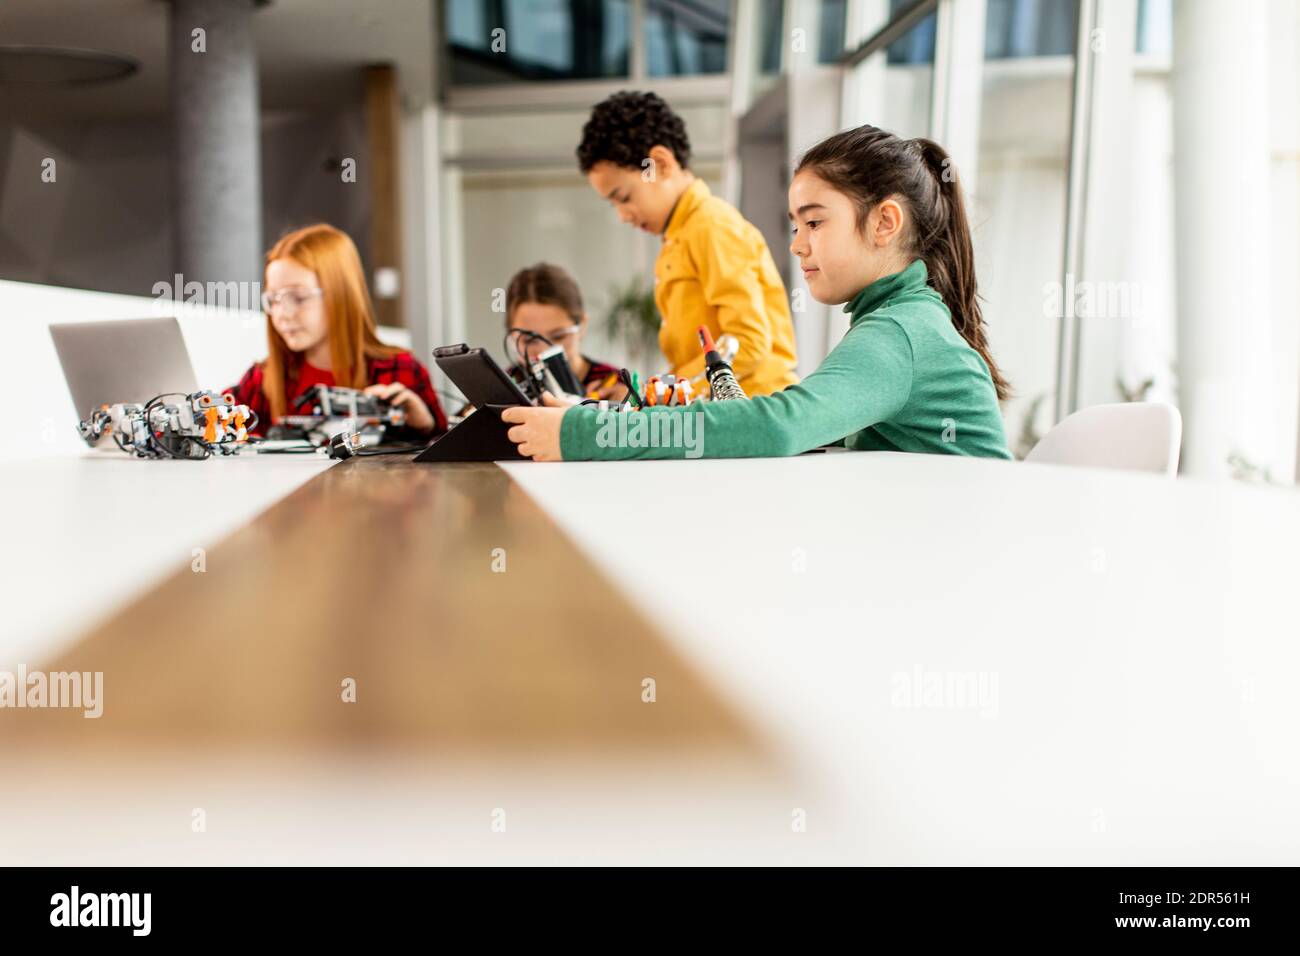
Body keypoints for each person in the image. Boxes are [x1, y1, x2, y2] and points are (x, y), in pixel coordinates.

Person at [501, 125, 1012, 462]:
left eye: (814, 222)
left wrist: (581, 435)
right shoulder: (900, 320)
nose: (796, 245)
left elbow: (779, 428)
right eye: (795, 224)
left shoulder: (900, 333)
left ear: (885, 222)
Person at [577, 90, 798, 398]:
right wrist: (644, 392)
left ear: (661, 164)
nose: (623, 216)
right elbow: (694, 363)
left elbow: (747, 342)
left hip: (752, 412)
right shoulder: (679, 236)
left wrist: (662, 395)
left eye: (624, 198)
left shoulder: (710, 226)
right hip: (723, 410)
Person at [229, 223, 446, 438]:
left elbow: (444, 455)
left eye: (298, 297)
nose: (281, 314)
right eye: (273, 299)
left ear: (340, 295)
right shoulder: (262, 378)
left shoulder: (401, 370)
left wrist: (424, 426)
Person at [502, 263, 625, 401]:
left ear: (582, 326)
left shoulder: (617, 385)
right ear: (511, 336)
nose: (544, 350)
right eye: (529, 340)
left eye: (559, 336)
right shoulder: (503, 388)